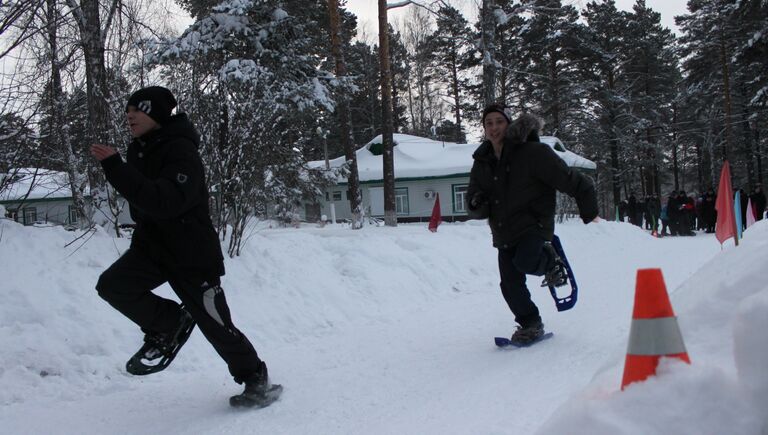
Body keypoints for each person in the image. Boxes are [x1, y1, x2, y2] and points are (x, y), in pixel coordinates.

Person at [90, 86, 280, 408]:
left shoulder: (181, 151)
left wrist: (116, 169)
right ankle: (167, 322)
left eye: (138, 109)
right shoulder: (139, 150)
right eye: (127, 111)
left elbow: (166, 202)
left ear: (157, 113)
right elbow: (143, 203)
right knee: (114, 285)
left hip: (191, 253)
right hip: (152, 247)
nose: (129, 116)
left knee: (216, 324)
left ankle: (255, 378)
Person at [467, 104, 599, 344]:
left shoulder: (533, 153)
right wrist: (477, 202)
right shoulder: (482, 161)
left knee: (526, 261)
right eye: (489, 123)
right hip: (503, 230)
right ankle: (530, 323)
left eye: (499, 121)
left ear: (509, 124)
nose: (494, 127)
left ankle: (551, 261)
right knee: (509, 285)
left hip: (534, 224)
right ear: (484, 128)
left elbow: (573, 181)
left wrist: (590, 215)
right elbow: (474, 197)